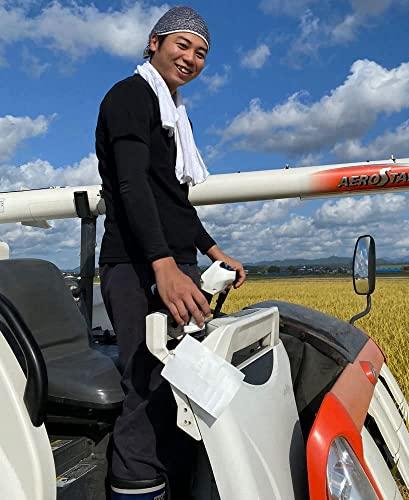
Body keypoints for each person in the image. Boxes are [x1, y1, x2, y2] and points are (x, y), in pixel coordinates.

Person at [95, 6, 245, 499]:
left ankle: (173, 477)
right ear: (154, 43)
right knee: (144, 382)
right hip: (136, 264)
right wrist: (163, 267)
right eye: (182, 45)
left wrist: (212, 250)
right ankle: (135, 487)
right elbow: (131, 184)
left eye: (201, 53)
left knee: (179, 381)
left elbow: (172, 198)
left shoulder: (174, 114)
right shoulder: (130, 97)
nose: (192, 58)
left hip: (169, 262)